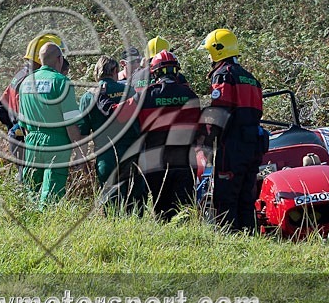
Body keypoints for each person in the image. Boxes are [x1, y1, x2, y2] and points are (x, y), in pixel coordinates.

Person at [98, 50, 201, 221]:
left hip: (156, 158)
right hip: (185, 159)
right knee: (184, 210)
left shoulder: (145, 95)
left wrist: (102, 97)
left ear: (154, 72)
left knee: (161, 207)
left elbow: (116, 113)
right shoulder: (191, 95)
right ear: (176, 70)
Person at [198, 28, 264, 231]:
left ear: (218, 50)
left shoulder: (223, 76)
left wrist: (205, 144)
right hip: (254, 145)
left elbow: (218, 114)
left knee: (226, 196)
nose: (209, 56)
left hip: (233, 146)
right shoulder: (251, 78)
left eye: (210, 51)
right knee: (247, 196)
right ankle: (248, 236)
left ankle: (229, 238)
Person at [18, 42, 83, 207]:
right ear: (59, 59)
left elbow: (23, 123)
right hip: (57, 142)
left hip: (31, 140)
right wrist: (79, 153)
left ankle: (30, 221)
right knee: (51, 192)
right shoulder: (61, 82)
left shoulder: (25, 83)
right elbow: (71, 123)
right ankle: (46, 226)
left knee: (30, 189)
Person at [78, 56, 144, 208]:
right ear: (115, 71)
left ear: (96, 73)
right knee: (134, 204)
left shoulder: (88, 97)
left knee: (111, 206)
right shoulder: (130, 91)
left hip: (106, 157)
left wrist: (83, 161)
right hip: (132, 154)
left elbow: (83, 133)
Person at [0, 34, 63, 181]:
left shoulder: (21, 75)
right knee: (31, 182)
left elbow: (1, 106)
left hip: (19, 138)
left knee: (26, 180)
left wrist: (12, 128)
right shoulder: (33, 80)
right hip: (28, 140)